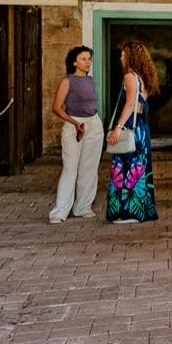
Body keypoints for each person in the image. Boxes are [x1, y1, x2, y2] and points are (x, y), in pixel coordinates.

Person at [105, 40, 159, 224]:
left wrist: (117, 128)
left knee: (125, 167)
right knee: (140, 167)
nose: (120, 57)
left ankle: (130, 214)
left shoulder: (130, 75)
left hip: (130, 125)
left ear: (130, 56)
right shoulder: (144, 76)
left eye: (123, 54)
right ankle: (142, 211)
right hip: (142, 127)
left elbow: (129, 104)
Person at [47, 45, 102, 223]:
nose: (88, 62)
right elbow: (56, 107)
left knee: (89, 168)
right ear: (74, 62)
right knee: (70, 168)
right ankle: (60, 211)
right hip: (74, 125)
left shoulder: (91, 80)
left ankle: (83, 207)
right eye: (84, 59)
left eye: (89, 59)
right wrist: (75, 123)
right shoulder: (67, 80)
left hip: (93, 124)